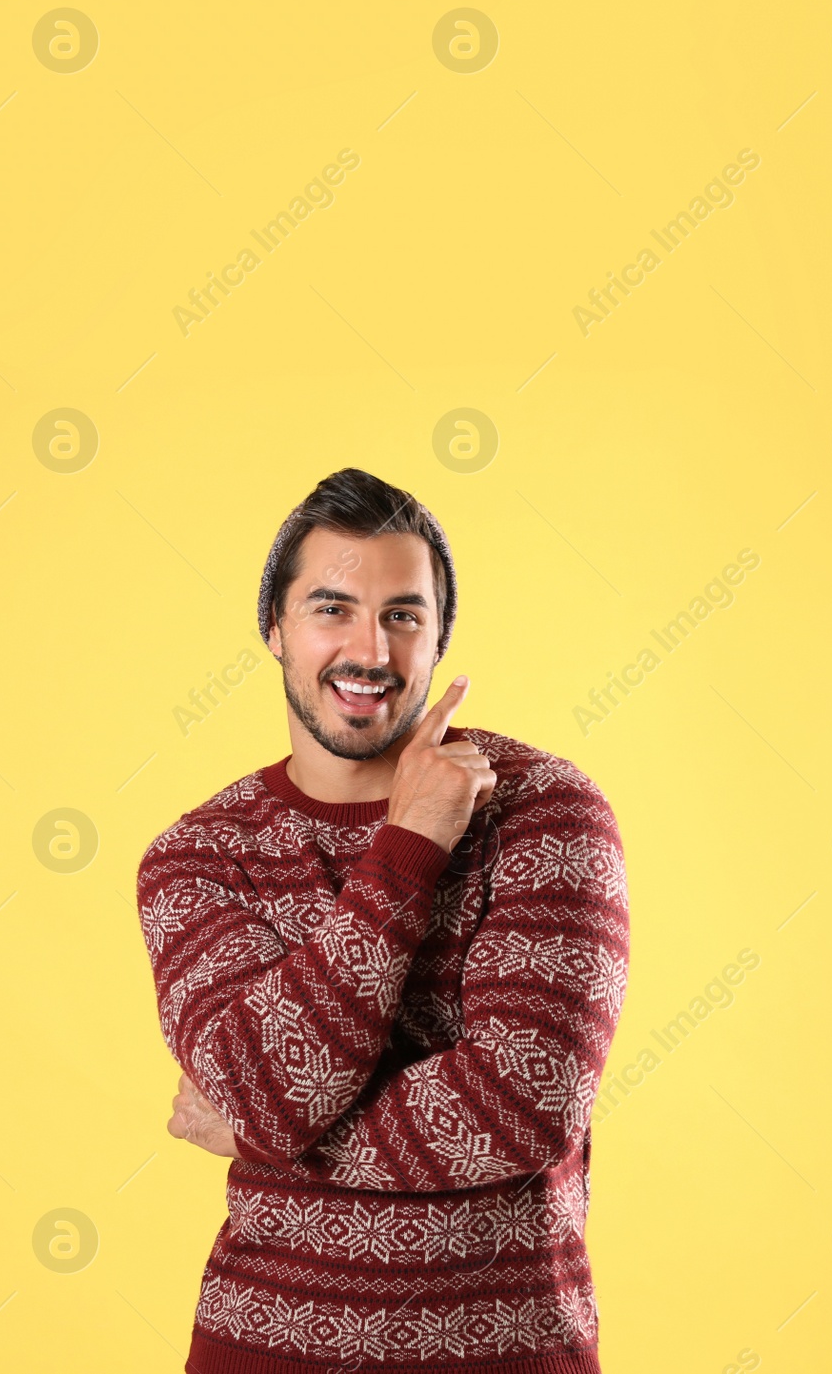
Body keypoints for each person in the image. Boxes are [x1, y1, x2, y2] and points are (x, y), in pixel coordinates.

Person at [137, 467, 630, 1373]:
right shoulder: (198, 856)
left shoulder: (545, 809)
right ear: (274, 629)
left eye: (403, 615)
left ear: (439, 635)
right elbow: (271, 1089)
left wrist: (263, 1140)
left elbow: (523, 1106)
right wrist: (409, 844)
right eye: (333, 608)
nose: (371, 649)